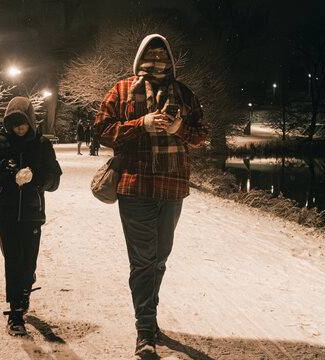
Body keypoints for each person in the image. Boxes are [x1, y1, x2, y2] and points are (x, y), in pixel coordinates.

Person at [93, 34, 207, 359]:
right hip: (135, 185)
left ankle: (149, 317)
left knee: (159, 258)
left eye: (163, 56)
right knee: (143, 259)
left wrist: (179, 130)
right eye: (151, 55)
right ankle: (145, 332)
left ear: (171, 61)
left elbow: (201, 136)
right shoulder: (121, 90)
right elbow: (101, 130)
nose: (157, 62)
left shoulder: (184, 94)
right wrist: (140, 124)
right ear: (140, 58)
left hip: (172, 188)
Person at [0, 96, 62, 336]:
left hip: (32, 213)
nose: (19, 128)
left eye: (23, 122)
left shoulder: (41, 144)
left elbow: (54, 179)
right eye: (14, 123)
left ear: (31, 122)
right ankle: (16, 312)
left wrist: (37, 180)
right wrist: (2, 170)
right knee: (13, 260)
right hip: (5, 212)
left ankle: (26, 283)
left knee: (29, 259)